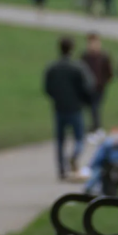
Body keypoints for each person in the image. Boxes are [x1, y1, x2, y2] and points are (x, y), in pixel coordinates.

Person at [44, 37, 94, 180]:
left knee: (60, 140)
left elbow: (47, 88)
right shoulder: (78, 67)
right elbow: (88, 86)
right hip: (75, 107)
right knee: (79, 138)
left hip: (59, 107)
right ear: (72, 48)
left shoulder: (52, 68)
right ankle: (74, 156)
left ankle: (61, 169)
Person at [80, 32, 113, 142]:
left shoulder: (103, 56)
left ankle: (96, 128)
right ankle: (93, 128)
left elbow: (109, 72)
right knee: (90, 109)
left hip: (99, 88)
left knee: (95, 108)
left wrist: (104, 82)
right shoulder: (85, 57)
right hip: (87, 88)